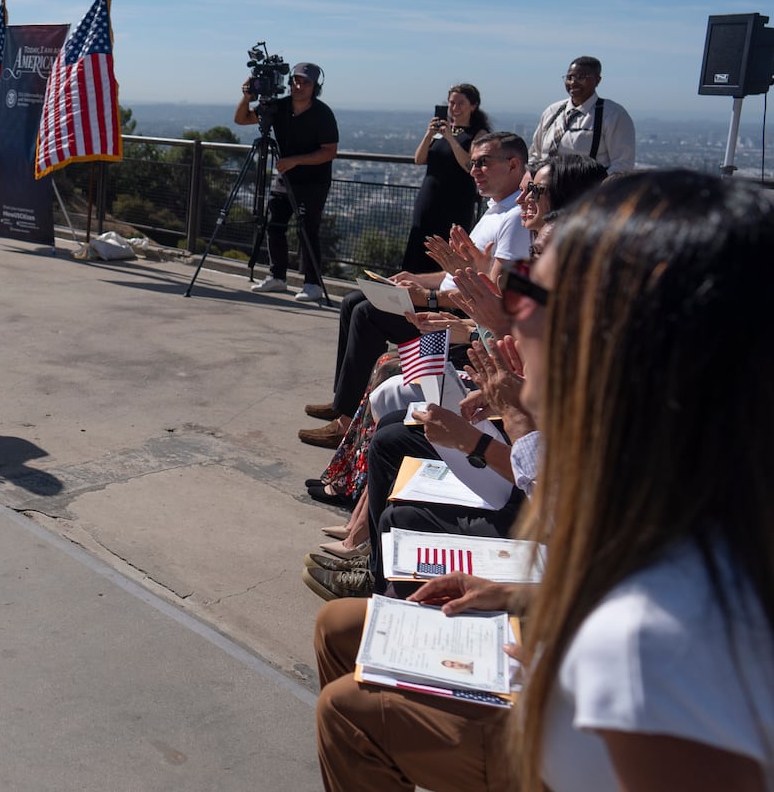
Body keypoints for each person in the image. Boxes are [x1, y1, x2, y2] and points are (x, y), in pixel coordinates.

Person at [316, 171, 774, 790]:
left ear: (623, 342)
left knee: (346, 711)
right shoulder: (691, 494)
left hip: (540, 727)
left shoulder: (648, 644)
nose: (511, 321)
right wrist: (520, 596)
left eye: (531, 293)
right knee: (341, 633)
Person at [299, 131, 531, 448]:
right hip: (442, 300)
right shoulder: (496, 209)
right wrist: (419, 279)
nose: (474, 169)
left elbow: (490, 293)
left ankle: (344, 421)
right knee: (354, 301)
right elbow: (457, 273)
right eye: (473, 162)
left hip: (454, 313)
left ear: (513, 164)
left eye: (483, 162)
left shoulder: (515, 219)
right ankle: (344, 402)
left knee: (368, 313)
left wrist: (427, 296)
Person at [234, 61, 339, 302]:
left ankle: (312, 283)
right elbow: (241, 119)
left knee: (307, 231)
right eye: (295, 81)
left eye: (305, 82)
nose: (298, 86)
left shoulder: (323, 114)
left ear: (315, 87)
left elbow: (329, 151)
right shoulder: (277, 108)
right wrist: (246, 97)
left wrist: (296, 161)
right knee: (274, 226)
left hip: (313, 182)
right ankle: (277, 277)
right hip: (284, 180)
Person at [402, 83, 489, 271]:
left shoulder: (478, 134)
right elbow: (419, 159)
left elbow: (470, 166)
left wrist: (450, 138)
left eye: (460, 103)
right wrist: (429, 135)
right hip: (429, 197)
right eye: (451, 103)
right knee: (420, 246)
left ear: (473, 106)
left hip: (456, 201)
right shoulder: (442, 131)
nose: (454, 108)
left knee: (448, 250)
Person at [528, 55, 636, 173]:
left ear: (597, 80)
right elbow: (535, 154)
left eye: (581, 77)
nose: (573, 82)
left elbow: (622, 165)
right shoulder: (552, 112)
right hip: (546, 188)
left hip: (588, 189)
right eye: (569, 77)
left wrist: (598, 188)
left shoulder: (613, 115)